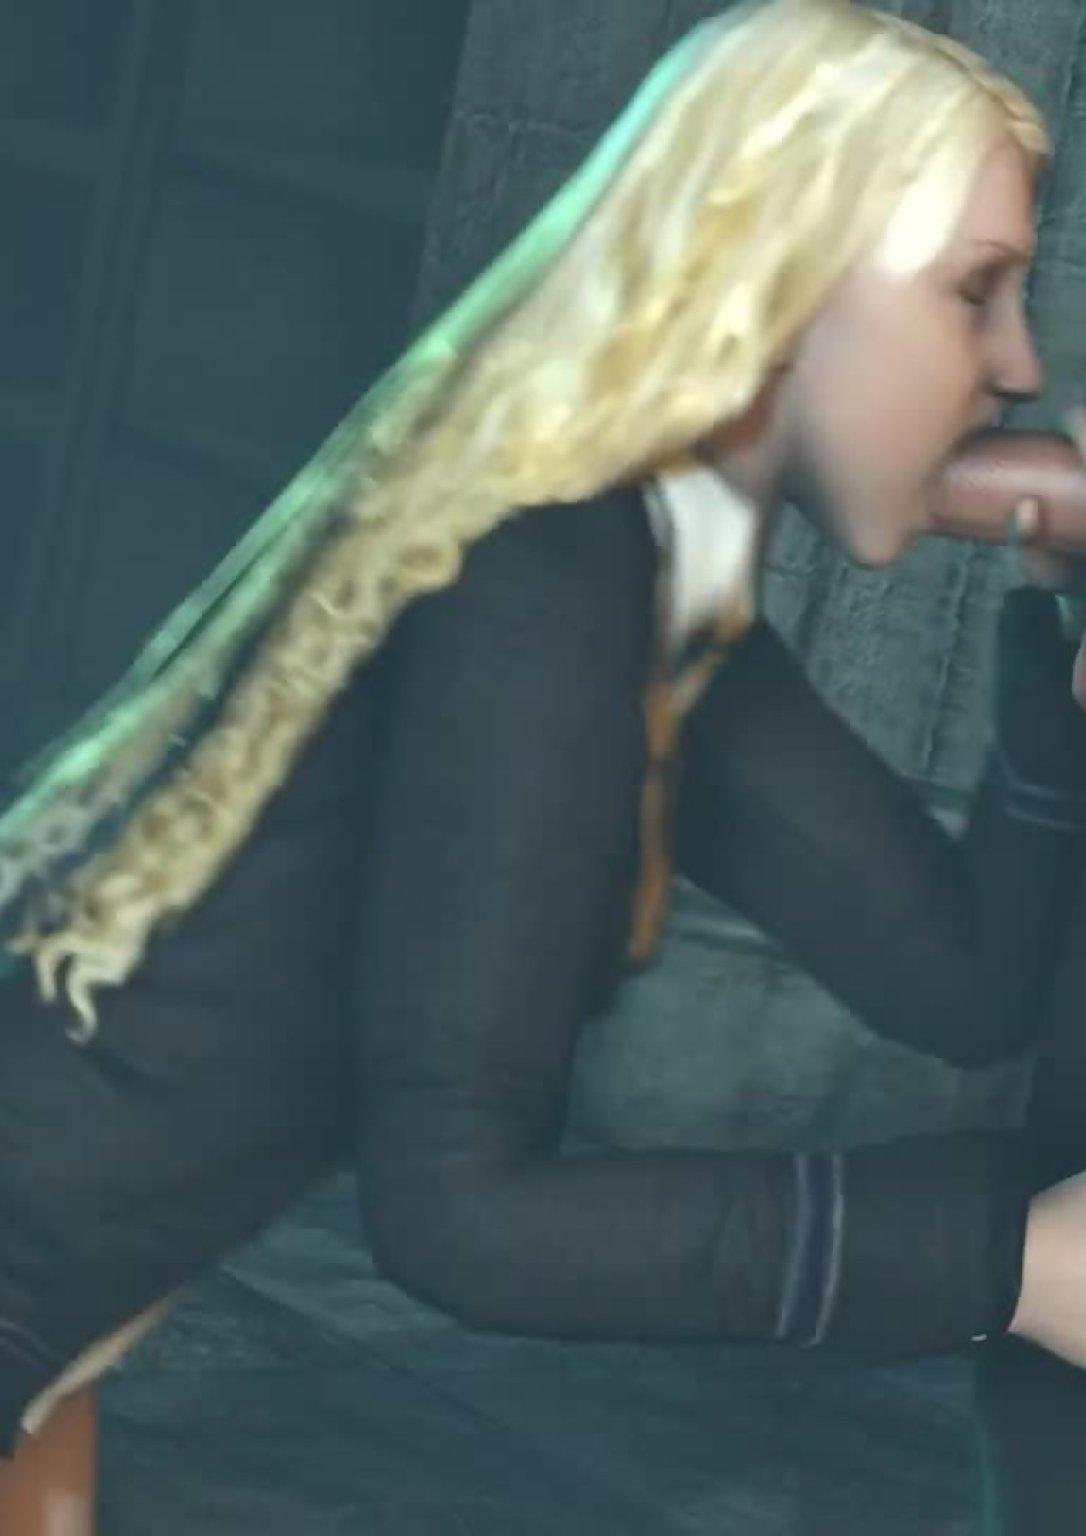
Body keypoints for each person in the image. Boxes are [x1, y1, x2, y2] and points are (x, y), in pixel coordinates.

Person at [0, 1, 1085, 1529]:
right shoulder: (544, 578)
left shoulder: (646, 593)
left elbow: (958, 982)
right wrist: (1003, 1264)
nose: (1015, 365)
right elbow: (462, 1217)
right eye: (971, 292)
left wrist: (1055, 627)